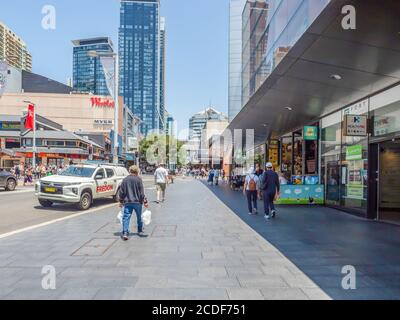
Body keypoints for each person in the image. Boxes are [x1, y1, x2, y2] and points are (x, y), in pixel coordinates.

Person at [119, 165, 148, 241]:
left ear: (130, 171)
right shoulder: (139, 179)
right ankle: (140, 230)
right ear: (137, 171)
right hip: (137, 202)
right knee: (139, 216)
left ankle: (125, 232)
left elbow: (121, 192)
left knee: (126, 217)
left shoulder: (125, 180)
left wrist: (121, 201)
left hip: (128, 202)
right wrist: (145, 201)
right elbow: (142, 192)